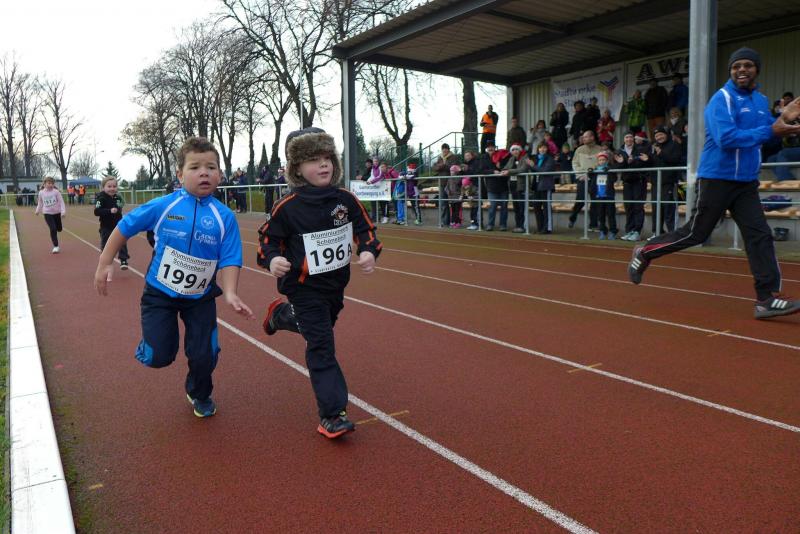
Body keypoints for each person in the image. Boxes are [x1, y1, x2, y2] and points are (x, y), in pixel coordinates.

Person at [628, 47, 800, 319]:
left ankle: (766, 299)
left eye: (748, 65)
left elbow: (768, 134)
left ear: (757, 69)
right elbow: (726, 138)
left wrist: (783, 120)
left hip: (746, 182)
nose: (742, 70)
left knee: (760, 235)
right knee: (695, 234)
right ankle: (646, 251)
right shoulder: (721, 99)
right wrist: (772, 128)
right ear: (731, 71)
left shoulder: (760, 100)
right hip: (717, 178)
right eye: (736, 66)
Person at [93, 137, 253, 417]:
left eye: (211, 167)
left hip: (200, 297)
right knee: (159, 357)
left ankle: (199, 392)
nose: (204, 173)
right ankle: (152, 344)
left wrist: (230, 292)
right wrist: (105, 261)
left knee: (206, 354)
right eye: (195, 167)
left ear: (220, 175)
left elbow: (230, 257)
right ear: (180, 175)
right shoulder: (163, 206)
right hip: (160, 294)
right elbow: (125, 226)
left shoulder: (224, 216)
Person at [258, 127, 381, 439]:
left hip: (335, 286)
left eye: (327, 157)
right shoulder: (287, 206)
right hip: (302, 287)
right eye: (314, 159)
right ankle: (332, 414)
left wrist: (368, 250)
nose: (323, 164)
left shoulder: (345, 200)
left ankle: (282, 316)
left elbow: (366, 229)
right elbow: (267, 241)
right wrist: (272, 260)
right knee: (321, 345)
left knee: (321, 327)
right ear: (297, 168)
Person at [612, 132, 650, 241]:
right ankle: (629, 231)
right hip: (627, 182)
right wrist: (622, 162)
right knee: (628, 207)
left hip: (639, 181)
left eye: (630, 137)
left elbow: (645, 163)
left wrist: (633, 161)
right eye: (626, 137)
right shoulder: (619, 151)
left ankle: (637, 231)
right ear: (623, 139)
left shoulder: (640, 149)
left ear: (633, 138)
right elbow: (617, 167)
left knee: (638, 207)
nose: (628, 139)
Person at [649, 125, 684, 234]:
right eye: (656, 136)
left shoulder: (674, 145)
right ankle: (657, 233)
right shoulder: (654, 146)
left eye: (661, 134)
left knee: (669, 208)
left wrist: (661, 153)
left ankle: (672, 234)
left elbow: (676, 160)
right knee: (656, 208)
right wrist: (646, 160)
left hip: (670, 182)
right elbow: (652, 162)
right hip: (656, 183)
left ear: (666, 134)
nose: (659, 137)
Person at [568, 130, 602, 230]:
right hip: (582, 178)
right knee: (580, 199)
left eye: (586, 137)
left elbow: (602, 162)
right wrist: (580, 175)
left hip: (595, 177)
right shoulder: (579, 150)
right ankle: (573, 217)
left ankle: (593, 225)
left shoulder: (599, 149)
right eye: (583, 137)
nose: (583, 139)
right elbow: (575, 163)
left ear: (592, 137)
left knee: (595, 201)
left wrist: (594, 171)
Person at [94, 175, 129, 270]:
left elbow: (120, 206)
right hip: (106, 226)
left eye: (114, 186)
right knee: (106, 245)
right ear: (103, 187)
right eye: (109, 186)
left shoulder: (118, 197)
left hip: (118, 225)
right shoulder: (101, 198)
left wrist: (119, 209)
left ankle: (123, 259)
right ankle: (104, 262)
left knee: (122, 241)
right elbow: (96, 211)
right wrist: (109, 211)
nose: (112, 189)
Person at [501, 144, 529, 233]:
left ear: (520, 150)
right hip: (513, 186)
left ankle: (523, 226)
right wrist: (505, 171)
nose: (515, 151)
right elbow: (505, 168)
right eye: (513, 150)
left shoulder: (525, 158)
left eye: (516, 149)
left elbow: (522, 169)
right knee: (516, 207)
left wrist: (509, 171)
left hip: (521, 186)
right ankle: (518, 225)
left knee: (521, 207)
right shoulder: (511, 159)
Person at [589, 152, 617, 240]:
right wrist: (590, 172)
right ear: (598, 161)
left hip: (608, 196)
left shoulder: (610, 169)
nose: (602, 161)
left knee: (611, 214)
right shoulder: (595, 170)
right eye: (600, 160)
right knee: (601, 215)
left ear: (607, 161)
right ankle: (602, 230)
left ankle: (613, 231)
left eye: (603, 160)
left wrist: (609, 172)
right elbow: (591, 179)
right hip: (599, 196)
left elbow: (614, 178)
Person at [35, 176, 66, 254]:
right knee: (53, 229)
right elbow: (40, 202)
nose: (50, 185)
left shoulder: (56, 192)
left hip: (57, 213)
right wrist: (37, 210)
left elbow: (61, 202)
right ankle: (56, 246)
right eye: (49, 183)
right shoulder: (41, 192)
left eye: (52, 183)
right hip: (47, 213)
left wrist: (63, 212)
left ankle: (58, 228)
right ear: (44, 184)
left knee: (59, 229)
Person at [530, 142, 556, 234]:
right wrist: (531, 166)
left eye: (544, 147)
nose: (542, 149)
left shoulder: (550, 159)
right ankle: (540, 227)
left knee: (546, 208)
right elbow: (534, 170)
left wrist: (533, 166)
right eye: (541, 148)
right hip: (536, 185)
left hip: (546, 186)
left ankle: (547, 228)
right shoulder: (536, 158)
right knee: (536, 206)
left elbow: (545, 170)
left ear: (547, 149)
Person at [484, 143, 510, 231]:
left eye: (492, 147)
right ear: (486, 148)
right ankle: (490, 224)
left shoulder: (503, 156)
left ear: (495, 148)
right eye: (488, 147)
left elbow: (507, 167)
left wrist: (500, 166)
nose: (490, 148)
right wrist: (493, 171)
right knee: (493, 206)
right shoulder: (484, 158)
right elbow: (481, 170)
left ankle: (503, 225)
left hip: (503, 186)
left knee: (504, 206)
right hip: (491, 186)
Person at [432, 144, 458, 225]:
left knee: (454, 203)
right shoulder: (440, 157)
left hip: (451, 183)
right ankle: (445, 221)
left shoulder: (453, 157)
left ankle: (455, 221)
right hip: (442, 182)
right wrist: (440, 166)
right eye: (443, 149)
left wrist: (443, 166)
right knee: (443, 203)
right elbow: (435, 167)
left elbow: (453, 168)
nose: (444, 150)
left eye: (446, 149)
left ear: (448, 149)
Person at [447, 163, 463, 228]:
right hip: (451, 197)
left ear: (456, 171)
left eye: (452, 171)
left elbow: (462, 187)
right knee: (453, 210)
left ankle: (458, 222)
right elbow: (447, 187)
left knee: (457, 211)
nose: (451, 172)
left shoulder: (459, 178)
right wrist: (448, 192)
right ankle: (453, 221)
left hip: (457, 197)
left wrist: (461, 195)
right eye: (450, 171)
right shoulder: (449, 179)